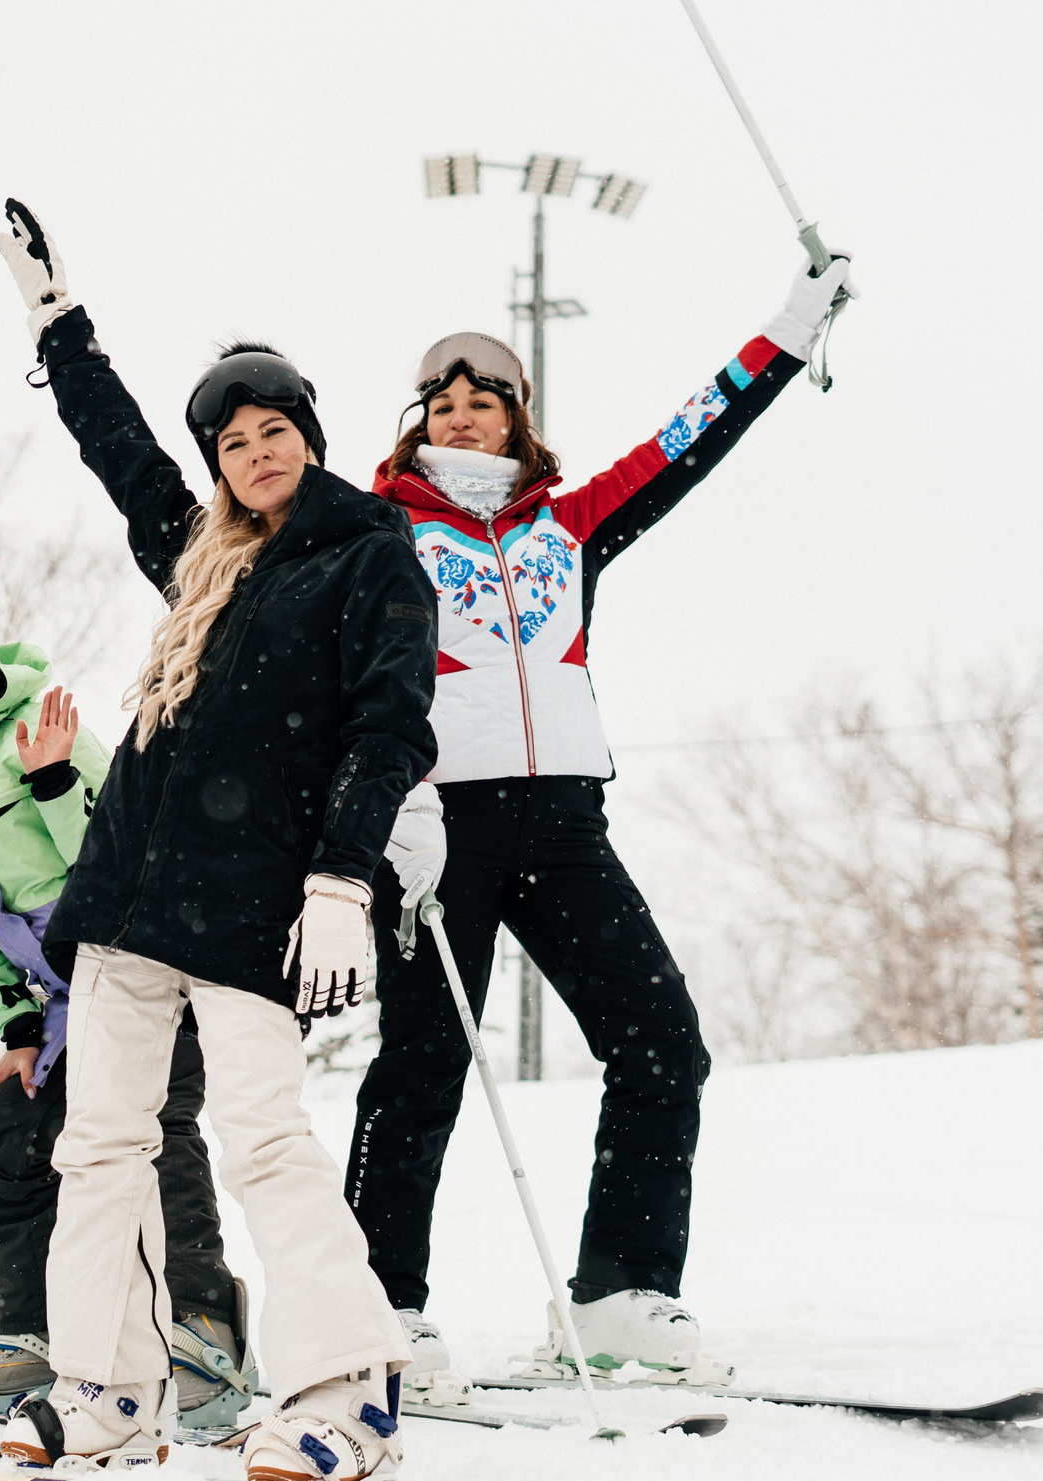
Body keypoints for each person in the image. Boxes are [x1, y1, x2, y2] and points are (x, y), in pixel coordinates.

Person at [0, 200, 443, 1481]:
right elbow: (123, 456)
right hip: (131, 895)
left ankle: (347, 1391)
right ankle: (110, 1386)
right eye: (232, 441)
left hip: (254, 902)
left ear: (309, 437)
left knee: (262, 1142)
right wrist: (60, 327)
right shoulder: (201, 560)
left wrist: (344, 877)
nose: (253, 453)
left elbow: (388, 725)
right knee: (100, 1143)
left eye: (273, 430)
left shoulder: (365, 558)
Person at [346, 258, 858, 1383]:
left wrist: (790, 325)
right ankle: (375, 1311)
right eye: (442, 399)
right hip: (436, 829)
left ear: (518, 417)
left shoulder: (567, 525)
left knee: (662, 1040)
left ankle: (621, 1294)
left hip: (564, 824)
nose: (463, 411)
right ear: (417, 422)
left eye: (485, 397)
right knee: (423, 1066)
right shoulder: (371, 529)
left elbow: (691, 436)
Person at [0, 587, 255, 1427]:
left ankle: (205, 1327)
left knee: (153, 1126)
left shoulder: (42, 725)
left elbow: (124, 858)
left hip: (143, 962)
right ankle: (40, 1337)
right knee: (12, 1131)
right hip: (61, 998)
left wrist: (55, 778)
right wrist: (18, 1026)